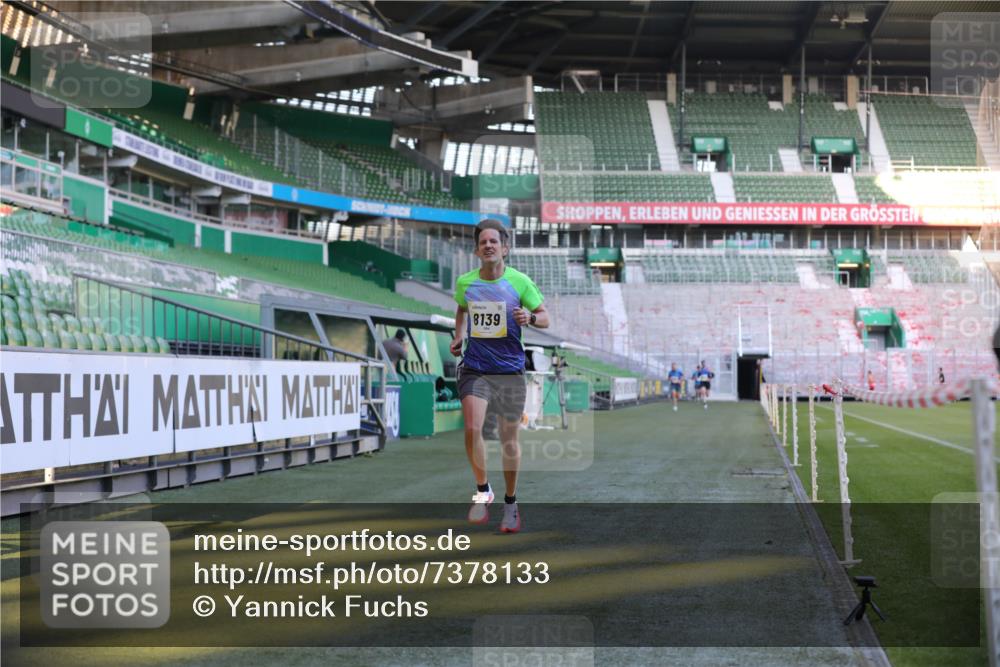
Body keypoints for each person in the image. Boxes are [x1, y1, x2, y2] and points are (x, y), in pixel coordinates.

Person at [450, 219, 548, 533]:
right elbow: (462, 309)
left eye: (494, 241)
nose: (489, 245)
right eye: (483, 242)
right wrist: (458, 335)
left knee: (508, 439)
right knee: (472, 427)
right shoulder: (466, 282)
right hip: (475, 366)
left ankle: (511, 503)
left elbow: (544, 318)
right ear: (477, 250)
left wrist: (529, 316)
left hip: (508, 370)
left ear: (504, 248)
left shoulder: (520, 282)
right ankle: (483, 490)